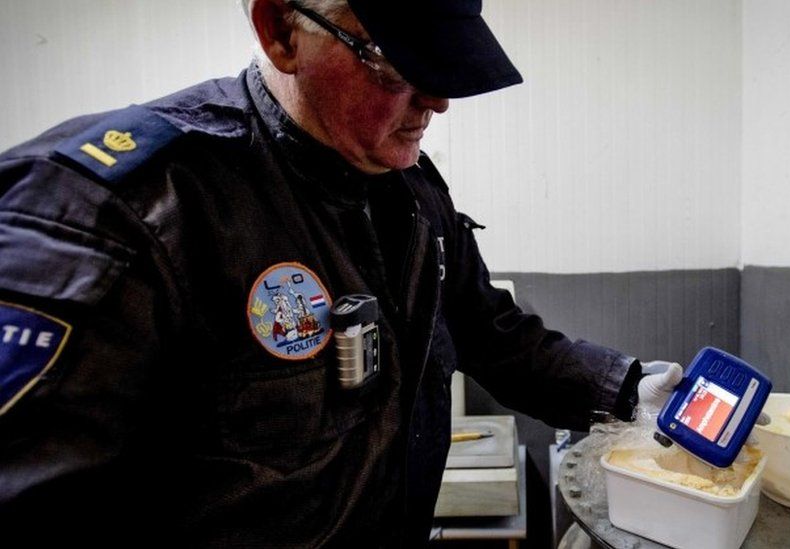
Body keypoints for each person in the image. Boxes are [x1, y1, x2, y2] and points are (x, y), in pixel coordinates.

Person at [0, 0, 678, 545]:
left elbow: (489, 330)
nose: (436, 102)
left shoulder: (412, 192)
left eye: (442, 64)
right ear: (279, 31)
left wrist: (626, 390)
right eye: (393, 63)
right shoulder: (122, 212)